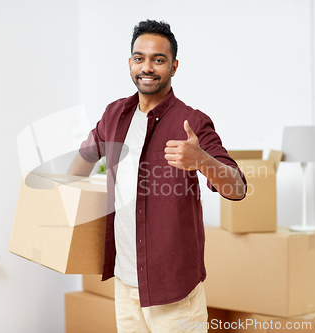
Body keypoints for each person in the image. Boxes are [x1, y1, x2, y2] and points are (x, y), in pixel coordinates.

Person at [68, 19, 246, 333]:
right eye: (140, 58)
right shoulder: (114, 115)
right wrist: (65, 196)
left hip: (173, 290)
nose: (147, 67)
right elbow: (85, 157)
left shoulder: (192, 122)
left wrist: (202, 160)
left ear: (174, 67)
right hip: (125, 282)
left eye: (158, 59)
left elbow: (238, 188)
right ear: (130, 63)